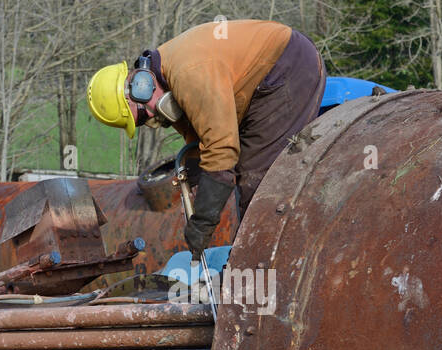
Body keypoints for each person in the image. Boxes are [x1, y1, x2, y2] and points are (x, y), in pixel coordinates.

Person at [87, 20, 325, 256]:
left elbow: (221, 150)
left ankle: (270, 262)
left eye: (142, 113)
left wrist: (203, 223)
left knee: (259, 180)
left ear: (139, 86)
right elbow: (200, 141)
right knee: (246, 176)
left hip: (287, 65)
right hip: (265, 79)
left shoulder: (188, 72)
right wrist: (196, 178)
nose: (152, 117)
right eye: (142, 121)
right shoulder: (168, 81)